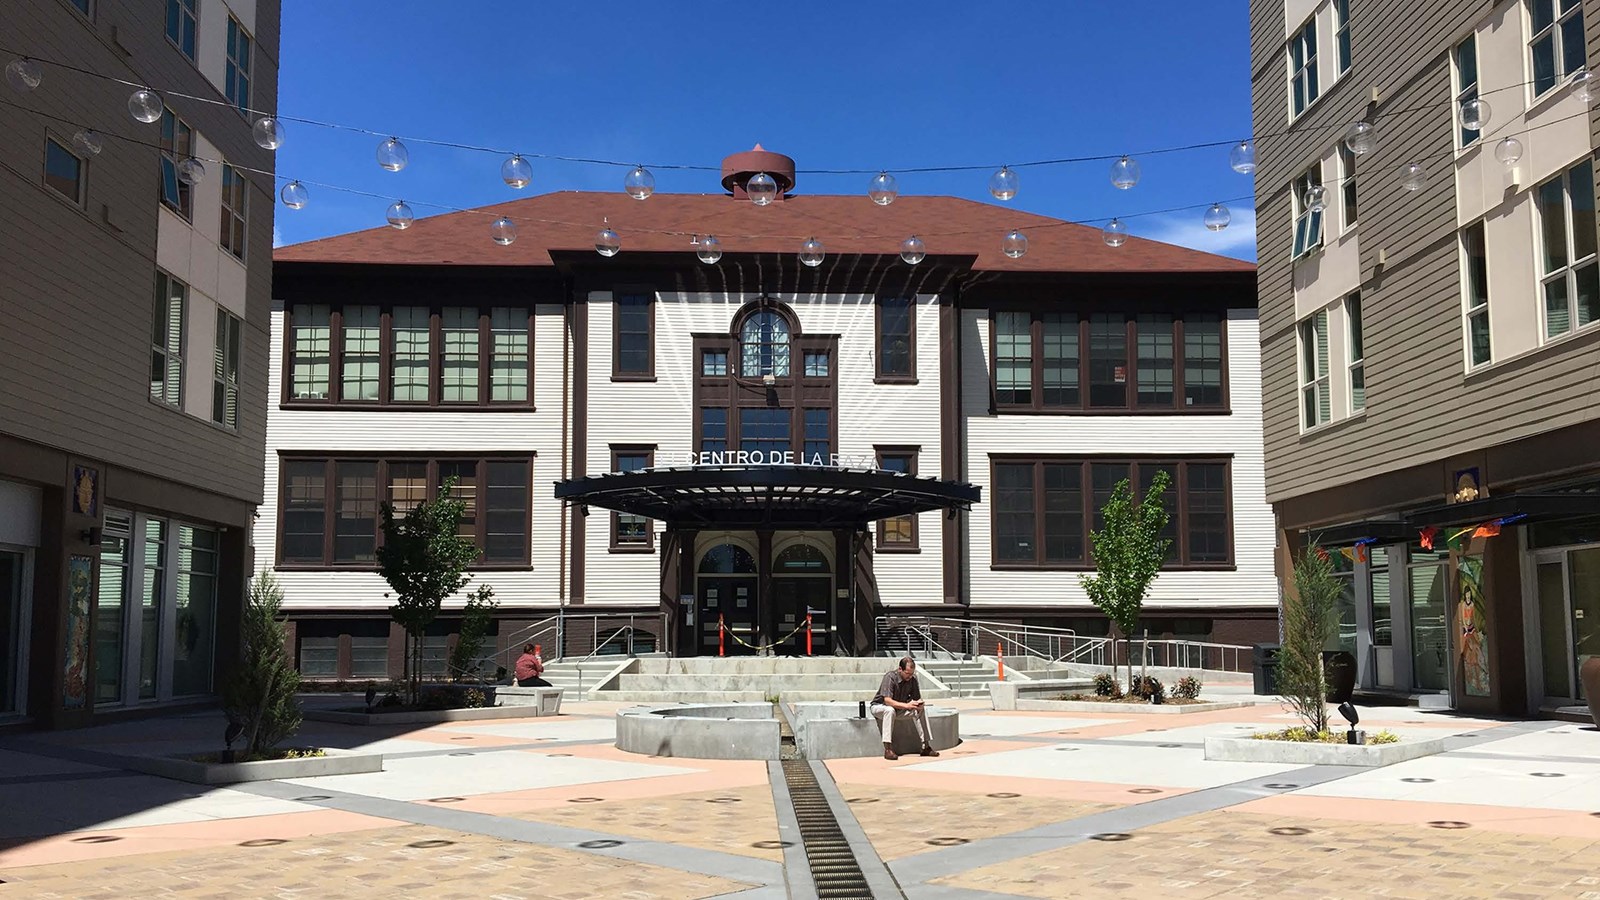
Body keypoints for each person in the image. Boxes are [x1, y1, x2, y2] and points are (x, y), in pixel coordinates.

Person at [870, 656, 939, 760]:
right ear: (900, 669)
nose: (909, 676)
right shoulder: (890, 677)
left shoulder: (913, 679)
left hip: (899, 708)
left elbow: (916, 698)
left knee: (920, 710)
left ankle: (926, 746)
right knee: (890, 710)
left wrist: (919, 704)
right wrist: (907, 705)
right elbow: (887, 701)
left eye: (911, 674)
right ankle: (888, 749)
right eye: (907, 673)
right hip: (880, 707)